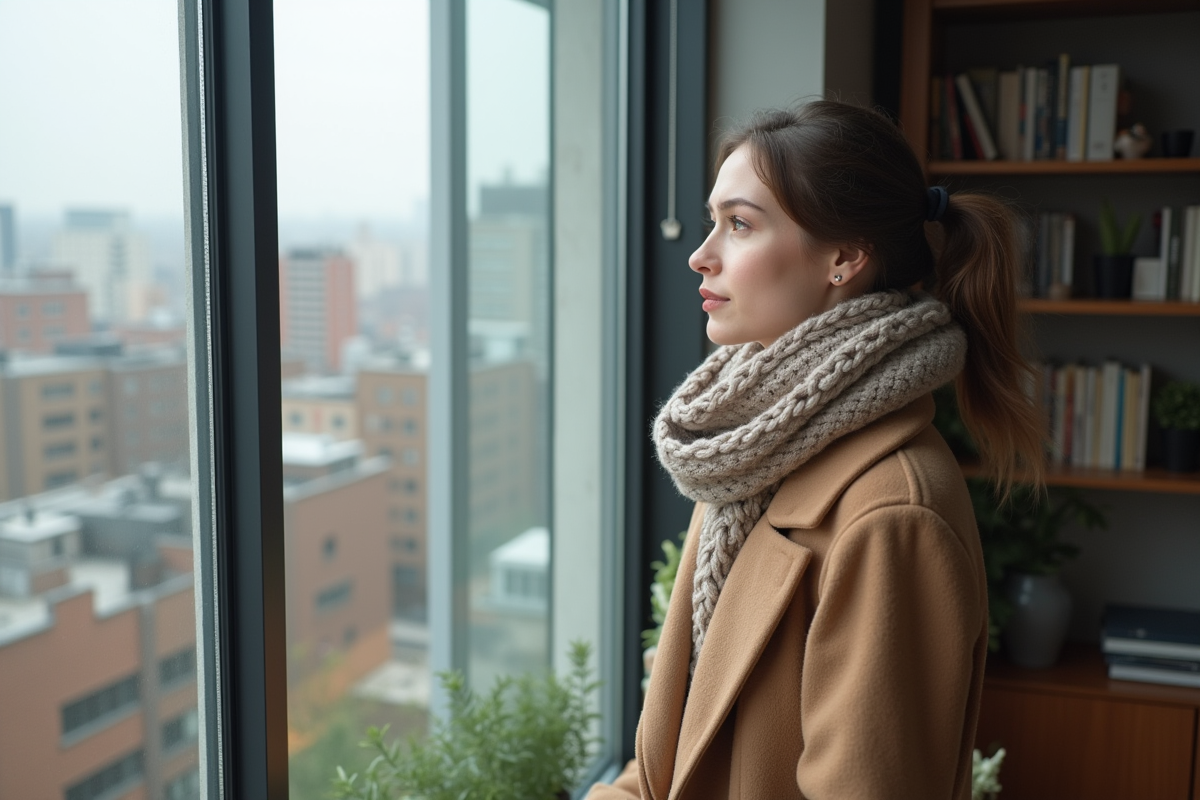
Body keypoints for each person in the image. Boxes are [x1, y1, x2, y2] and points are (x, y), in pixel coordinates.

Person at [587, 100, 1044, 800]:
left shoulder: (891, 514)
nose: (701, 254)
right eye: (713, 221)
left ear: (844, 258)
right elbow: (669, 759)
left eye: (739, 224)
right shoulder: (749, 449)